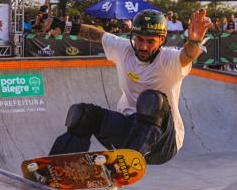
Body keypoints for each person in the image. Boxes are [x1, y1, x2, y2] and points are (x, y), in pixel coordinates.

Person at [48, 9, 212, 164]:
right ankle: (56, 167)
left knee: (152, 99)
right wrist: (65, 26)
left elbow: (187, 55)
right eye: (139, 39)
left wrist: (194, 40)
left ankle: (127, 162)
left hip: (163, 142)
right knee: (82, 114)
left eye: (150, 42)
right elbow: (98, 35)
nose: (143, 47)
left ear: (162, 40)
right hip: (128, 130)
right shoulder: (124, 48)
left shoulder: (168, 59)